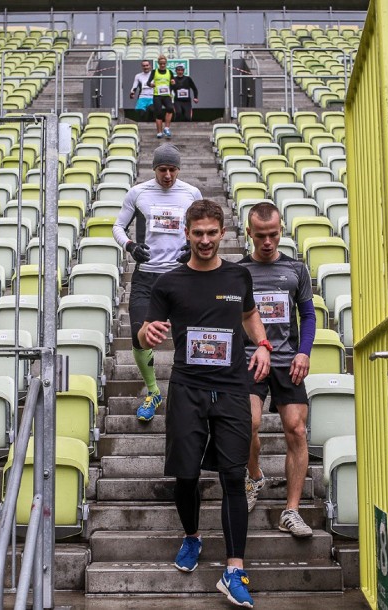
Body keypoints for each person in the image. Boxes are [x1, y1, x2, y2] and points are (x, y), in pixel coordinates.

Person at [138, 199, 271, 609]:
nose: (206, 240)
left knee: (233, 477)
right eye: (198, 233)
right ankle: (192, 536)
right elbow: (144, 334)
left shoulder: (238, 275)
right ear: (186, 233)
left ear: (223, 233)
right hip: (188, 389)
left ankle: (233, 570)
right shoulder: (168, 283)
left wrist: (263, 344)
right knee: (186, 476)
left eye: (212, 233)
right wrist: (148, 333)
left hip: (232, 388)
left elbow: (249, 315)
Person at [239, 202, 316, 538]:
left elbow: (309, 316)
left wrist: (304, 353)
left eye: (273, 234)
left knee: (296, 430)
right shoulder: (238, 272)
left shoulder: (296, 270)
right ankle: (254, 475)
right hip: (249, 359)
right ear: (249, 233)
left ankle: (292, 511)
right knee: (248, 423)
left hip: (288, 361)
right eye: (260, 236)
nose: (267, 241)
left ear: (281, 230)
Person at [112, 144, 201, 422]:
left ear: (179, 169)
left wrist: (193, 247)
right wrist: (130, 246)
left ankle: (187, 393)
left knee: (188, 339)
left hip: (180, 276)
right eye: (162, 169)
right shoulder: (138, 192)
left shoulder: (190, 193)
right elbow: (117, 226)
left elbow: (203, 225)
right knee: (139, 336)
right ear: (154, 168)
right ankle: (153, 392)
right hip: (146, 276)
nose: (168, 175)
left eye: (173, 169)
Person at [146, 55, 175, 139]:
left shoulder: (169, 72)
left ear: (166, 63)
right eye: (161, 63)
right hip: (157, 95)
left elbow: (172, 82)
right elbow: (148, 82)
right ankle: (159, 132)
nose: (162, 65)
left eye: (164, 63)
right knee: (158, 113)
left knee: (170, 108)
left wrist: (173, 83)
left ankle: (166, 128)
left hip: (166, 95)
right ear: (158, 63)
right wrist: (151, 85)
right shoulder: (154, 72)